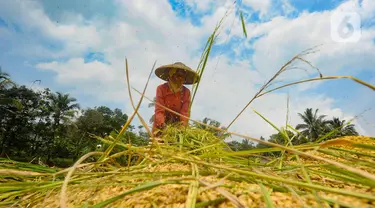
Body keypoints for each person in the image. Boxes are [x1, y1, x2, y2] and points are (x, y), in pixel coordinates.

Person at [152, 62, 200, 138]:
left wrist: (182, 128)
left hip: (177, 129)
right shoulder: (161, 89)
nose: (180, 78)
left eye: (183, 76)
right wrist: (163, 126)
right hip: (160, 128)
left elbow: (184, 113)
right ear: (171, 75)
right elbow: (159, 110)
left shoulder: (186, 92)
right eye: (178, 75)